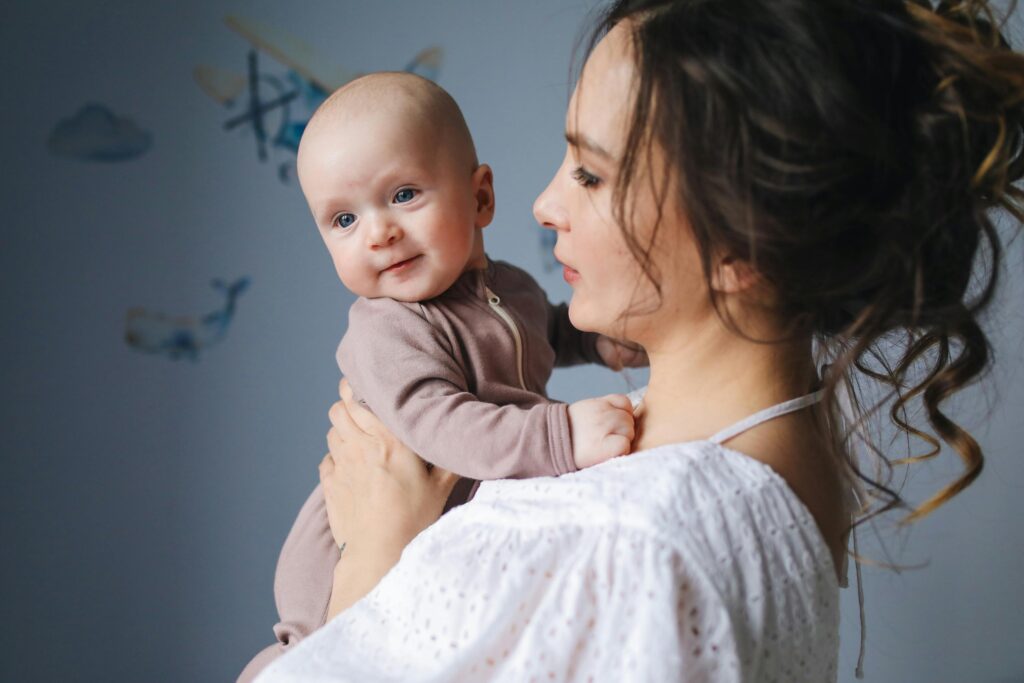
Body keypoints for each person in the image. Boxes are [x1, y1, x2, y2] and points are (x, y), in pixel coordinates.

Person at [248, 0, 1024, 680]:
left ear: (741, 244)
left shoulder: (634, 542)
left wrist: (374, 560)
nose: (546, 204)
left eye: (591, 172)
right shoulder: (789, 452)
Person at [236, 72, 647, 682]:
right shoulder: (385, 329)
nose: (379, 232)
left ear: (480, 198)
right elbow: (439, 425)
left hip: (451, 515)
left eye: (403, 195)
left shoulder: (509, 287)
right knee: (318, 651)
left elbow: (544, 336)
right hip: (349, 541)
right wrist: (558, 437)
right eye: (343, 220)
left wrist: (601, 340)